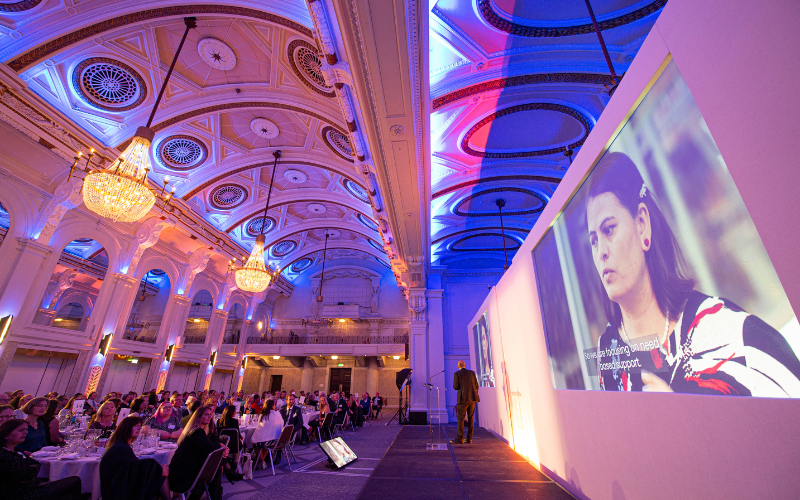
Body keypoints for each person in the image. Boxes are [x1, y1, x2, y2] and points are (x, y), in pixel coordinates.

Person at [586, 152, 800, 395]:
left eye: (609, 230)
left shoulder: (727, 333)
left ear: (642, 223)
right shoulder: (608, 355)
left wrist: (681, 414)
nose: (601, 252)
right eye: (593, 241)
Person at [0, 419, 88, 500]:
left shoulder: (16, 450)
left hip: (31, 486)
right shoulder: (4, 454)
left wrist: (33, 467)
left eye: (26, 429)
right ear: (6, 434)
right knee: (74, 481)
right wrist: (33, 467)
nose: (25, 432)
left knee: (71, 494)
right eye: (21, 430)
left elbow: (34, 464)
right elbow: (28, 473)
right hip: (20, 493)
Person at [99, 416, 169, 500]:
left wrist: (158, 470)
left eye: (140, 425)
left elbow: (137, 468)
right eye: (136, 426)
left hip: (121, 487)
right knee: (160, 476)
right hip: (117, 492)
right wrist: (159, 471)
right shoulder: (121, 448)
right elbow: (137, 470)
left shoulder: (120, 445)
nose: (139, 428)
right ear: (126, 429)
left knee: (158, 474)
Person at [169, 405, 228, 500]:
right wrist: (223, 448)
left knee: (213, 469)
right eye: (206, 414)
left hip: (188, 469)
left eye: (210, 414)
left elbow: (210, 447)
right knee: (213, 470)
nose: (210, 416)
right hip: (181, 474)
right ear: (199, 417)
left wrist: (222, 448)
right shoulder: (196, 432)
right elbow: (211, 447)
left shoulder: (200, 432)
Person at [452, 360, 479, 445]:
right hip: (472, 399)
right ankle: (469, 438)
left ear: (458, 366)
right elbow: (476, 385)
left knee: (460, 418)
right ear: (465, 365)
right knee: (471, 418)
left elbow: (455, 387)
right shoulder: (472, 373)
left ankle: (460, 438)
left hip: (462, 399)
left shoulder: (457, 374)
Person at [251, 400, 283, 468]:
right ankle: (262, 461)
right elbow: (282, 423)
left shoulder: (263, 415)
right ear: (272, 406)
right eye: (274, 405)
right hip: (275, 440)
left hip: (268, 441)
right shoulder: (277, 414)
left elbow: (260, 428)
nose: (275, 406)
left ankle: (262, 460)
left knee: (255, 443)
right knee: (266, 441)